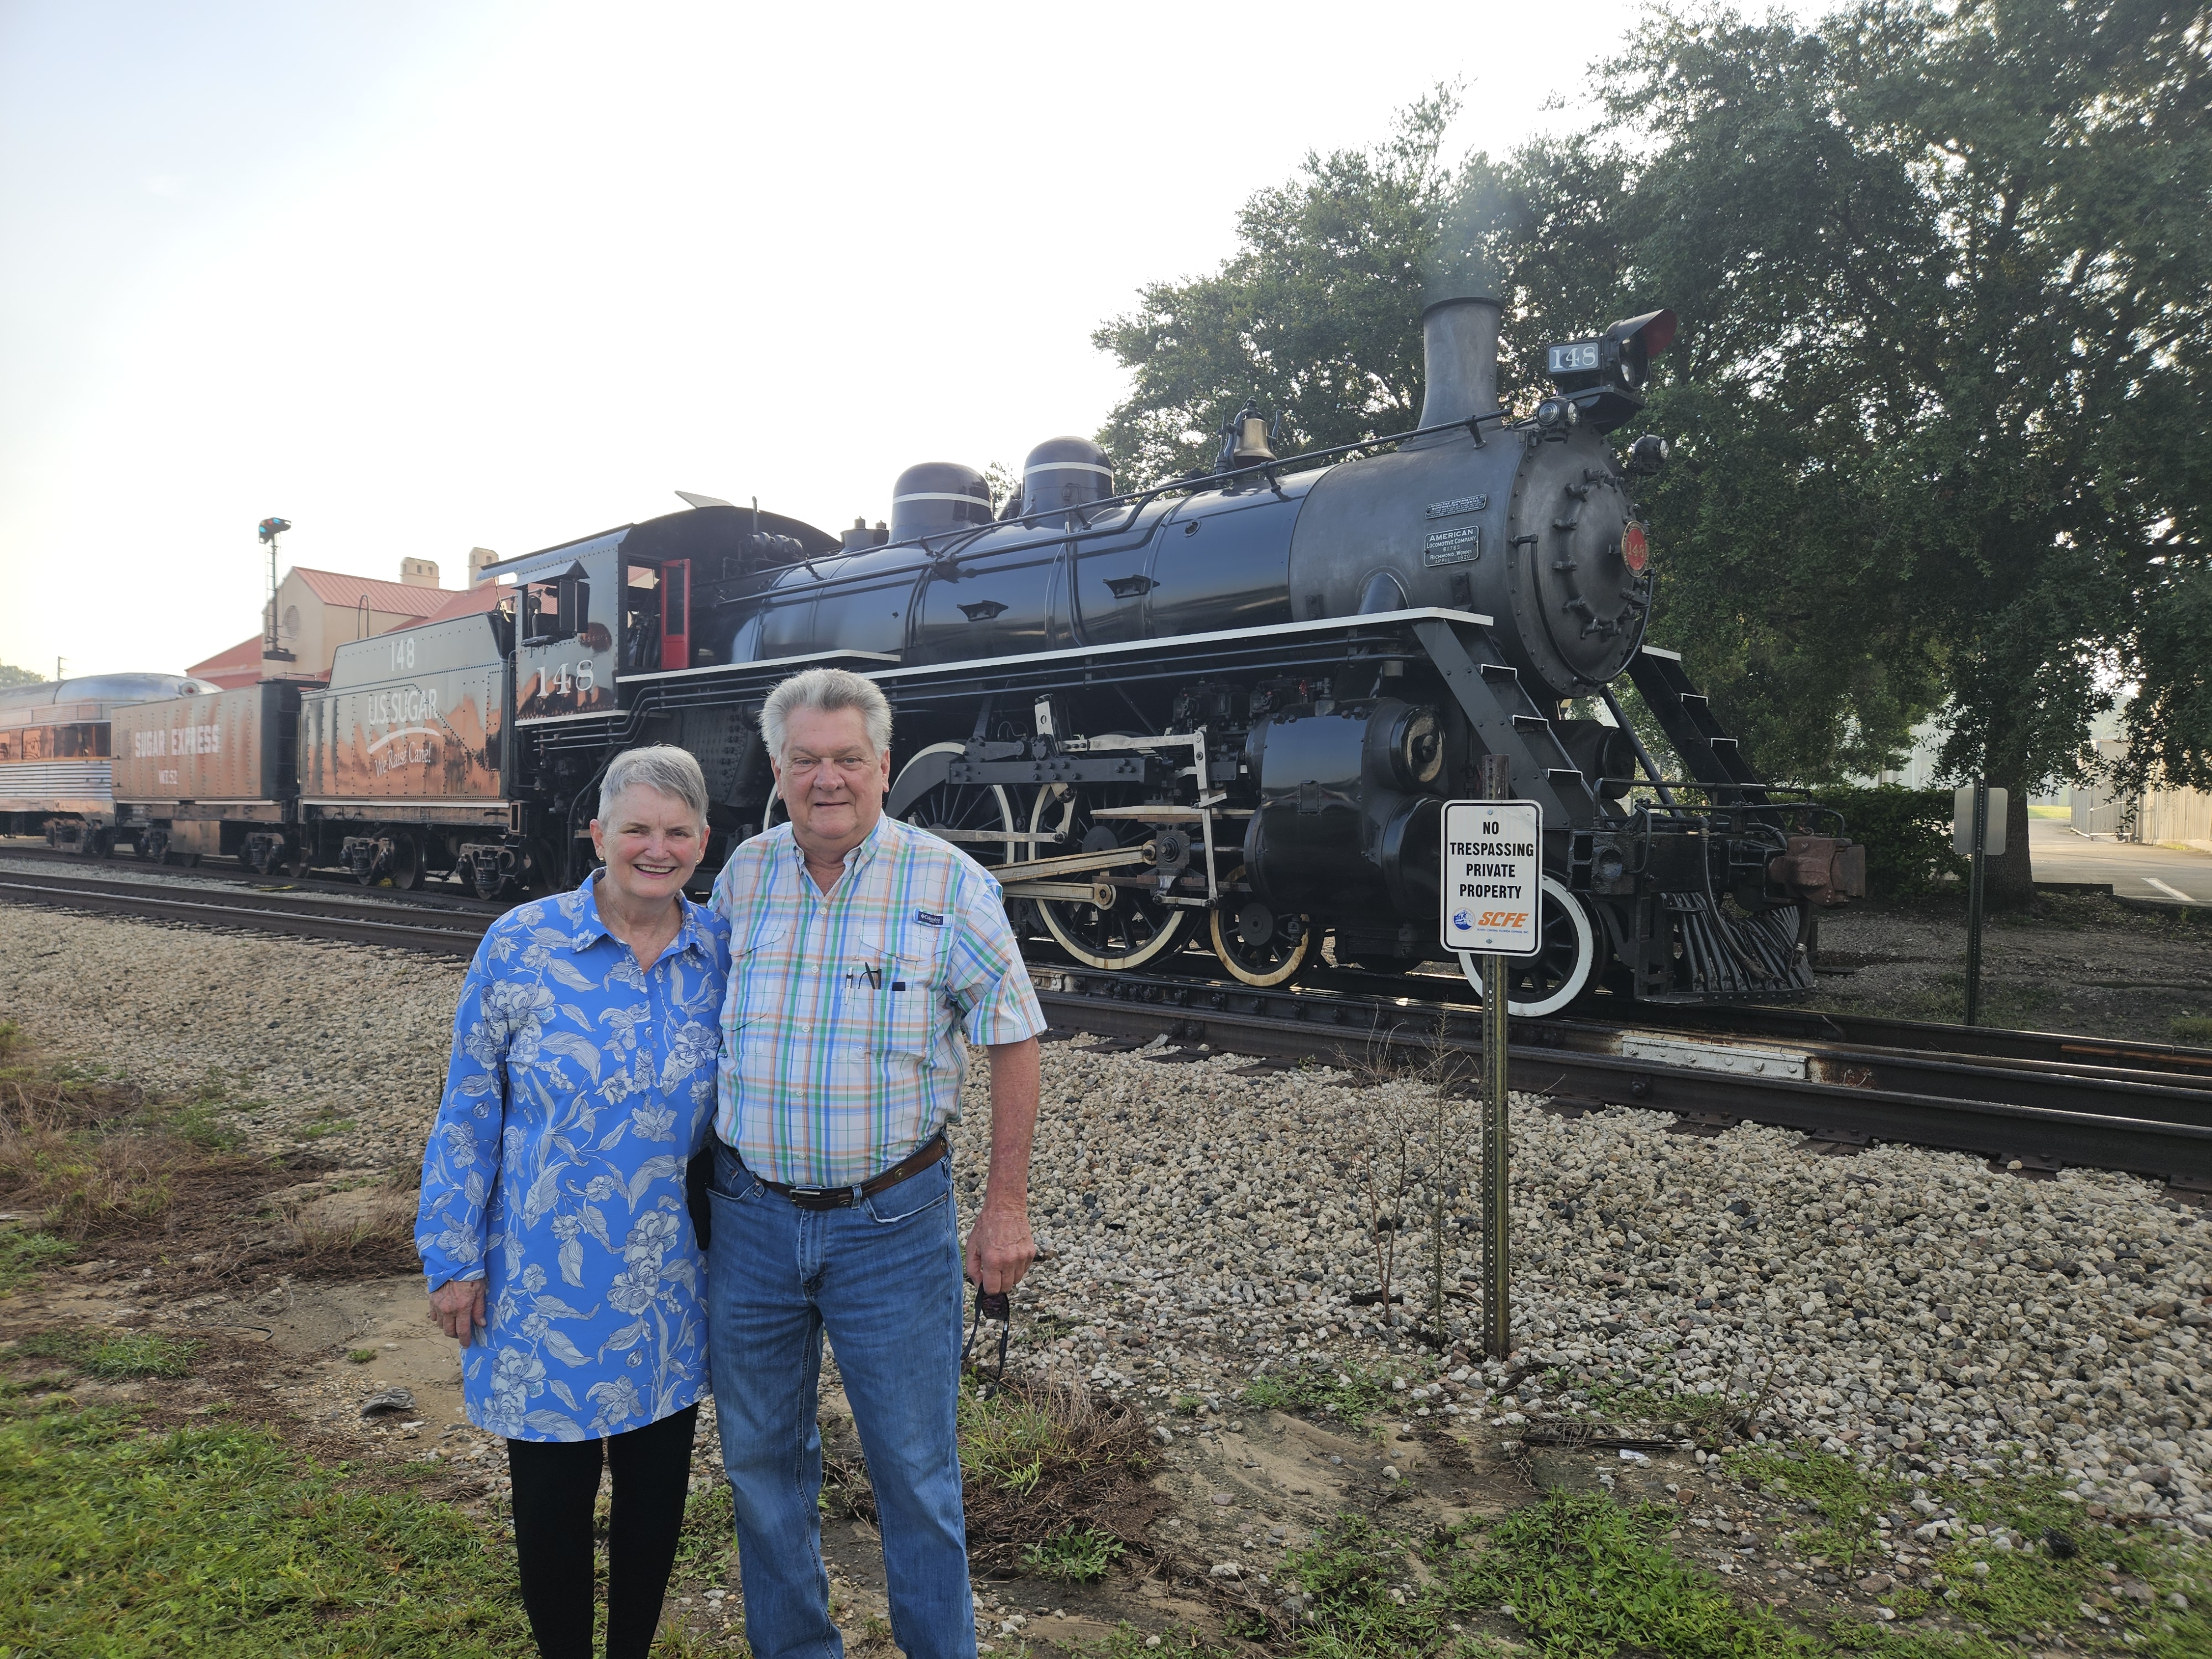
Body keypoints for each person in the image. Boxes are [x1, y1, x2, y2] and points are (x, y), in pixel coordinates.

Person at [708, 666, 1044, 1659]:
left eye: (848, 759)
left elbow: (1014, 1036)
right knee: (762, 1468)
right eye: (805, 760)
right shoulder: (742, 876)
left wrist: (1006, 1208)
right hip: (752, 1221)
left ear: (884, 767)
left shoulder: (949, 883)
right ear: (777, 768)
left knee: (914, 1473)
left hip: (892, 1228)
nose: (827, 779)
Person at [416, 745, 731, 1659]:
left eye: (677, 832)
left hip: (666, 1283)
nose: (656, 848)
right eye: (636, 828)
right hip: (538, 1283)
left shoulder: (719, 952)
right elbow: (469, 1109)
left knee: (654, 1500)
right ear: (598, 834)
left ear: (704, 842)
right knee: (550, 1508)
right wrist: (453, 1258)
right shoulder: (521, 943)